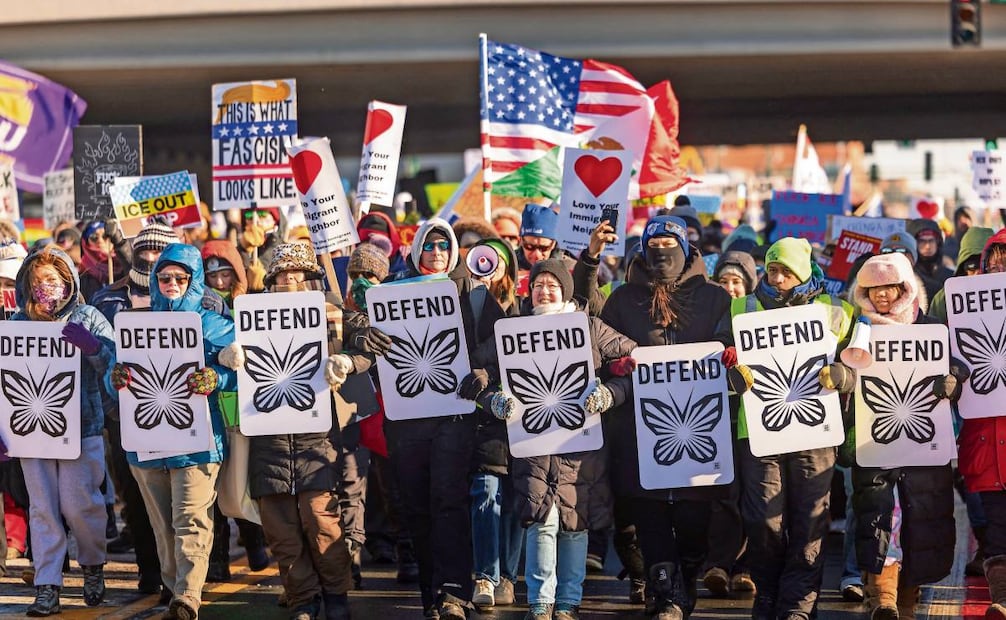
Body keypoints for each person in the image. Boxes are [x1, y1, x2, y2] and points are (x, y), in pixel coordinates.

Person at [351, 218, 505, 619]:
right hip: (405, 419)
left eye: (443, 245)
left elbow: (502, 342)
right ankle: (430, 595)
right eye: (429, 245)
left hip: (454, 416)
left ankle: (455, 592)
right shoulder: (392, 293)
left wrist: (484, 372)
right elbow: (363, 339)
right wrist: (365, 337)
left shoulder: (473, 292)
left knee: (449, 503)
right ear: (416, 249)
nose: (436, 253)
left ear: (453, 251)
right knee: (416, 507)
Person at [477, 258, 635, 620]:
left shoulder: (590, 328)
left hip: (580, 450)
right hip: (533, 447)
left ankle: (568, 601)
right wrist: (494, 400)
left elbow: (636, 363)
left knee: (575, 525)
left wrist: (611, 394)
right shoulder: (513, 330)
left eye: (552, 284)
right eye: (537, 285)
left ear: (565, 289)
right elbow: (475, 371)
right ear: (528, 291)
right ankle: (540, 601)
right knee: (541, 521)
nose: (544, 290)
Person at [716, 237, 856, 620]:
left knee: (809, 519)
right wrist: (732, 369)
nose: (776, 278)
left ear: (804, 273)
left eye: (785, 272)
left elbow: (863, 363)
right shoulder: (742, 308)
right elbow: (717, 358)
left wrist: (844, 375)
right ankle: (769, 594)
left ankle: (797, 605)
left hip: (815, 432)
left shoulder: (836, 310)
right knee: (763, 519)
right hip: (759, 433)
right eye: (772, 270)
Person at [600, 216, 732, 619]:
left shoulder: (714, 297)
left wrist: (729, 353)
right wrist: (616, 366)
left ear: (685, 247)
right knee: (650, 513)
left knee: (693, 517)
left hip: (700, 427)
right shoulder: (622, 299)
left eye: (668, 243)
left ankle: (687, 574)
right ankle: (665, 595)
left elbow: (730, 342)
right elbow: (602, 346)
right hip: (640, 430)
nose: (661, 251)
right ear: (642, 250)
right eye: (652, 244)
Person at [221, 242, 354, 620]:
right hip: (269, 439)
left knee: (321, 519)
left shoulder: (331, 314)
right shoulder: (250, 317)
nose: (290, 281)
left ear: (311, 277)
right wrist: (228, 357)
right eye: (282, 275)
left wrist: (344, 358)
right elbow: (233, 366)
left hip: (315, 439)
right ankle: (302, 599)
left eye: (298, 274)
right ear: (272, 280)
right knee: (281, 530)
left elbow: (362, 347)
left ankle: (336, 596)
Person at [109, 243, 237, 620]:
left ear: (193, 280)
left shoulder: (213, 324)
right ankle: (173, 585)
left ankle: (187, 595)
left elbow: (247, 372)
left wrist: (217, 377)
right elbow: (118, 370)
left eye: (181, 277)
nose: (171, 283)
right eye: (164, 277)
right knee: (162, 526)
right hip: (147, 442)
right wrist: (112, 376)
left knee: (191, 519)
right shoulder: (136, 323)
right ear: (154, 279)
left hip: (198, 442)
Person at [847, 252, 959, 620]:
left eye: (888, 287)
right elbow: (846, 375)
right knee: (882, 518)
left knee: (919, 522)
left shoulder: (931, 328)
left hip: (923, 447)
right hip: (875, 443)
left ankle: (908, 599)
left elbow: (958, 367)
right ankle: (884, 598)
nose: (881, 296)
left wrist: (952, 381)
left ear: (904, 288)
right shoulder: (860, 329)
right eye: (873, 288)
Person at [10, 246, 115, 616]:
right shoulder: (17, 325)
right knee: (42, 510)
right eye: (37, 282)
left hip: (82, 428)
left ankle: (92, 566)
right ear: (27, 285)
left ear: (67, 281)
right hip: (31, 432)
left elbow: (116, 367)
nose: (45, 288)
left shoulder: (88, 316)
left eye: (52, 280)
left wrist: (93, 347)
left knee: (79, 505)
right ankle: (47, 585)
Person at [463, 237, 523, 611]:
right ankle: (485, 575)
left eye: (496, 260)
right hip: (482, 418)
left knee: (516, 501)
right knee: (485, 493)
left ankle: (508, 578)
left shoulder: (525, 309)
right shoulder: (463, 305)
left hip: (520, 421)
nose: (488, 266)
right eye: (481, 259)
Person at [701, 250, 759, 597]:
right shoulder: (713, 313)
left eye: (737, 281)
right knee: (726, 493)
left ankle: (746, 567)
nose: (730, 288)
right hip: (721, 414)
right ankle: (719, 564)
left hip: (756, 419)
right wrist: (722, 347)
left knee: (755, 495)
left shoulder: (752, 310)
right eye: (723, 280)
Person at [957, 228, 1006, 620]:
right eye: (994, 259)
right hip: (985, 439)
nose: (999, 267)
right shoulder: (963, 307)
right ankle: (1002, 597)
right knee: (995, 527)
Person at [78, 220, 131, 302]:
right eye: (94, 237)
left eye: (105, 236)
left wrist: (120, 243)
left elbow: (132, 269)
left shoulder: (125, 265)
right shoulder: (83, 275)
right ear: (86, 243)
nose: (100, 241)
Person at [906, 219, 952, 302]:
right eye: (921, 241)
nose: (927, 246)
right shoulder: (907, 277)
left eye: (931, 241)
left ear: (938, 242)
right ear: (913, 243)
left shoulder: (951, 276)